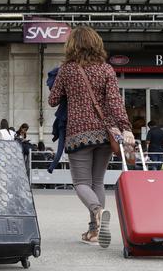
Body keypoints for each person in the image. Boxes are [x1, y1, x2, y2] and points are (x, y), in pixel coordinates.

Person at [48, 25, 134, 248]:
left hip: (79, 133)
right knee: (97, 182)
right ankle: (94, 232)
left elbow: (53, 100)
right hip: (106, 134)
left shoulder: (68, 69)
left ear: (72, 45)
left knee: (81, 183)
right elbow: (115, 102)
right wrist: (126, 128)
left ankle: (97, 211)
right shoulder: (106, 69)